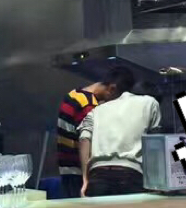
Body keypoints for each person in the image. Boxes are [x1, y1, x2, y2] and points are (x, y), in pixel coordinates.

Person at [56, 67, 135, 198]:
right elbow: (89, 140)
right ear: (112, 89)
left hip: (67, 169)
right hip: (79, 172)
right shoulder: (88, 106)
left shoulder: (75, 94)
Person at [79, 80, 163, 198]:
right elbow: (154, 144)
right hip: (130, 173)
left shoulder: (98, 109)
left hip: (97, 174)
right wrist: (157, 182)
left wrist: (85, 180)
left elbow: (84, 138)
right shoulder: (150, 102)